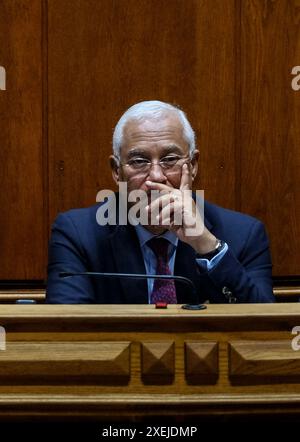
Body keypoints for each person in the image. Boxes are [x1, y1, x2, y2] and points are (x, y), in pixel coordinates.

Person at [46, 100, 274, 304]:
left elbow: (265, 331)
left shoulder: (244, 235)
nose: (156, 176)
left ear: (193, 165)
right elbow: (65, 331)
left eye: (170, 159)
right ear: (117, 171)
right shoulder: (78, 234)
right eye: (139, 161)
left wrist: (205, 244)